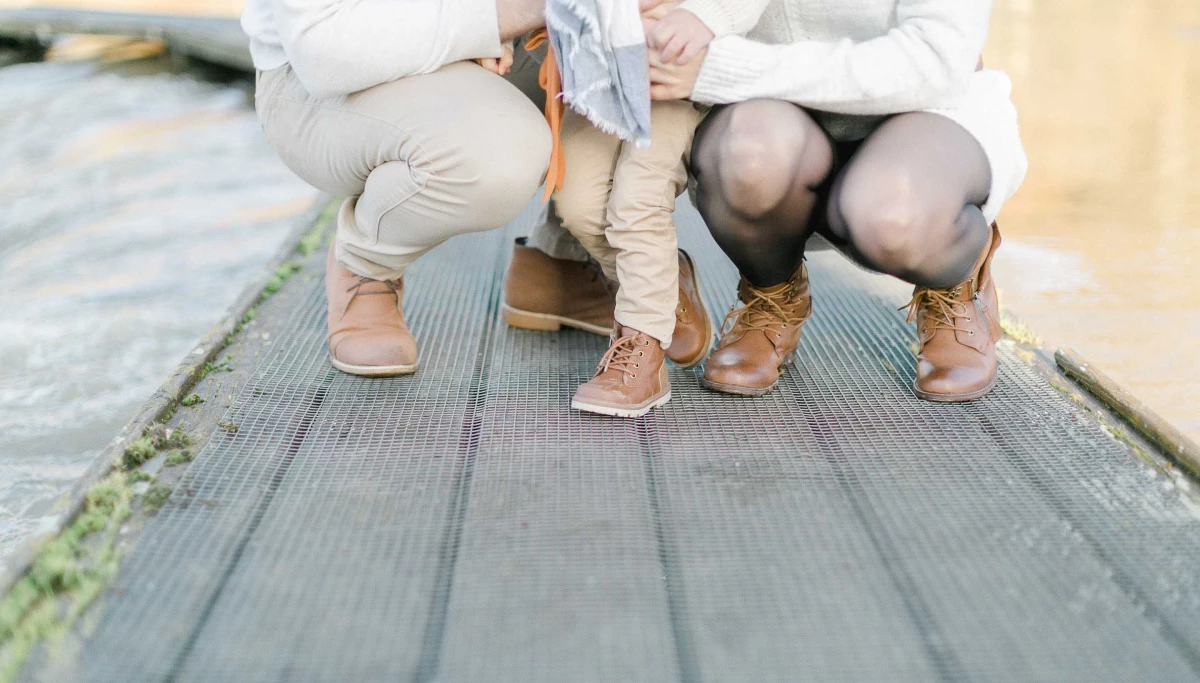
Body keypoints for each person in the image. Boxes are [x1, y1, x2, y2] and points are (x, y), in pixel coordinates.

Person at [242, 0, 708, 379]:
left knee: (628, 35)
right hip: (326, 81)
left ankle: (563, 263)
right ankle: (367, 261)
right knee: (498, 154)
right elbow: (323, 52)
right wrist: (492, 18)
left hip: (503, 33)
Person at [634, 0, 1028, 402]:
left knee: (891, 214)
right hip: (767, 111)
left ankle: (951, 280)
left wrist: (728, 68)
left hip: (926, 109)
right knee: (746, 156)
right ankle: (773, 294)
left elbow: (935, 62)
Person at [550, 0, 765, 418]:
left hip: (681, 67)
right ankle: (665, 285)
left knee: (637, 202)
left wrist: (706, 16)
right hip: (602, 66)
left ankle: (642, 347)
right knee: (576, 203)